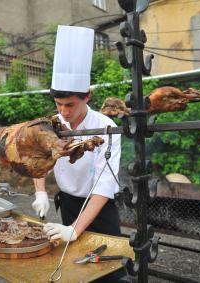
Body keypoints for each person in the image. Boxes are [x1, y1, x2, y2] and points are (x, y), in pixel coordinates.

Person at [32, 25, 122, 244]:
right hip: (69, 204)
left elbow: (105, 185)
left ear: (87, 96)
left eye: (70, 105)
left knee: (108, 270)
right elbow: (39, 160)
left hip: (98, 206)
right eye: (59, 104)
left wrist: (74, 230)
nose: (64, 112)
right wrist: (40, 192)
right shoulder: (53, 124)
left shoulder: (106, 128)